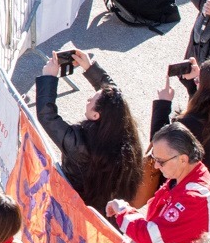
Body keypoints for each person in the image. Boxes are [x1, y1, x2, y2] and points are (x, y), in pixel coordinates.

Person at [34, 47, 145, 213]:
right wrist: (90, 68)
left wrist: (49, 77)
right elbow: (115, 98)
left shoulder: (79, 143)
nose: (88, 99)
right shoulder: (125, 134)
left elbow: (47, 116)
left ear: (95, 115)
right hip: (108, 210)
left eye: (91, 100)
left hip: (75, 208)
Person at [111, 122, 210, 243]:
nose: (155, 166)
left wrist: (122, 210)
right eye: (154, 158)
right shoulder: (185, 176)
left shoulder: (194, 198)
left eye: (160, 161)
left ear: (183, 159)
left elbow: (150, 237)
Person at [153, 57, 210, 235]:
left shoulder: (189, 123)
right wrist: (193, 86)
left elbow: (160, 143)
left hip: (197, 192)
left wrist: (163, 103)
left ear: (206, 90)